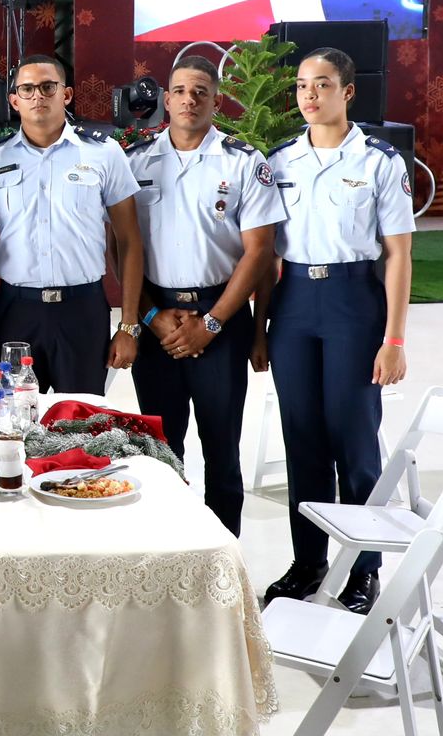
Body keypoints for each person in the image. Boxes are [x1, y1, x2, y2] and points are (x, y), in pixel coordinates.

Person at [258, 47, 414, 614]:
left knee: (354, 439)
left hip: (353, 302)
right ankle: (308, 562)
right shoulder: (279, 164)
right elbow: (264, 256)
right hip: (295, 303)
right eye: (302, 85)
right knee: (302, 441)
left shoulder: (378, 161)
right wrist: (261, 327)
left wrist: (393, 339)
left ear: (348, 92)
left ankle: (364, 569)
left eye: (322, 84)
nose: (309, 95)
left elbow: (398, 255)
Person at [125, 56, 285, 537]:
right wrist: (150, 316)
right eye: (179, 90)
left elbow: (259, 253)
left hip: (222, 316)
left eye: (200, 91)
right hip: (156, 319)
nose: (189, 99)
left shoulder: (243, 162)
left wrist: (211, 323)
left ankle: (223, 563)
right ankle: (166, 554)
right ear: (165, 100)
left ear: (216, 100)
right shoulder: (135, 161)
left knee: (220, 448)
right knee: (159, 448)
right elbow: (122, 249)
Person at [0, 54, 144, 392]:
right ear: (14, 100)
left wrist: (129, 325)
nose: (38, 96)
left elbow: (130, 241)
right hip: (16, 313)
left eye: (48, 87)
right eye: (27, 89)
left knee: (78, 424)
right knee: (12, 425)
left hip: (82, 310)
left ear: (67, 94)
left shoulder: (104, 154)